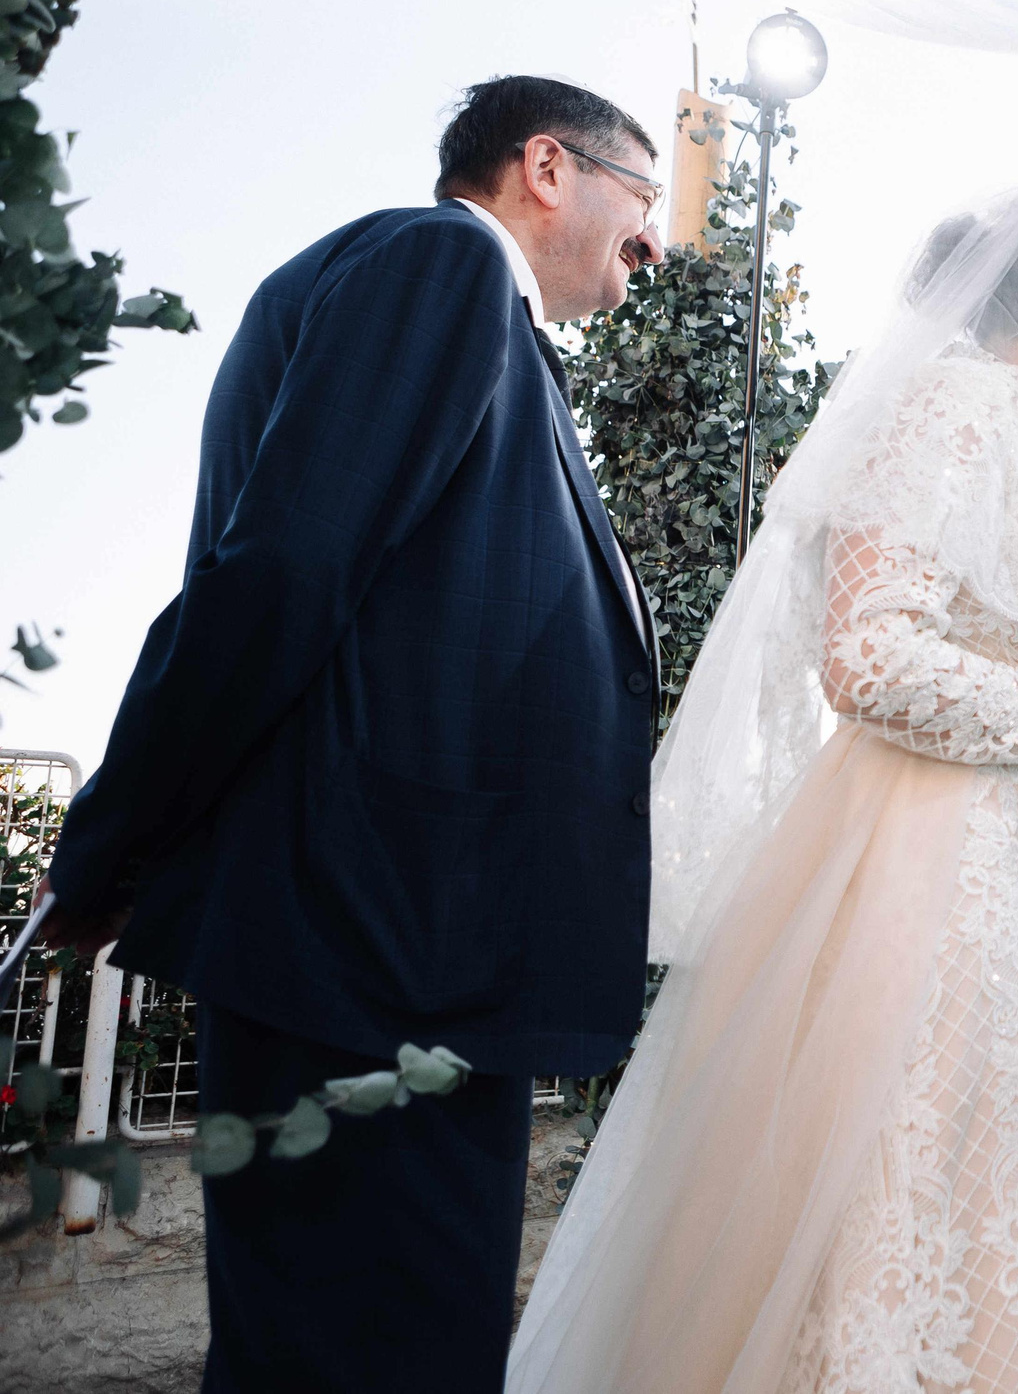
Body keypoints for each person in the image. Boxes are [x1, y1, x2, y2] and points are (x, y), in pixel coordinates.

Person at [34, 76, 668, 1392]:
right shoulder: (435, 263)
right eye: (643, 196)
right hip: (375, 945)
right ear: (546, 167)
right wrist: (110, 849)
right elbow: (277, 574)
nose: (655, 242)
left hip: (407, 948)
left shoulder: (467, 309)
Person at [507, 176, 1018, 1394]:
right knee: (907, 1184)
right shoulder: (956, 409)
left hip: (986, 858)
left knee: (963, 1178)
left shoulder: (996, 431)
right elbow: (869, 656)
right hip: (923, 866)